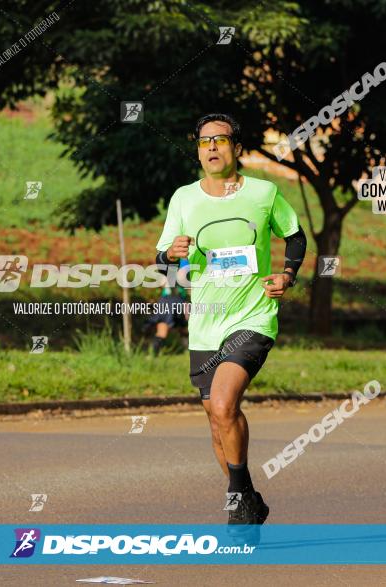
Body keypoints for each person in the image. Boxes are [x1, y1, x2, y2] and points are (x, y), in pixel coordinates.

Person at [155, 113, 307, 529]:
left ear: (237, 148)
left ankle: (238, 501)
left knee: (223, 404)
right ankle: (251, 500)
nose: (211, 148)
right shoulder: (183, 199)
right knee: (216, 419)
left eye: (220, 140)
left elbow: (294, 236)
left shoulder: (263, 192)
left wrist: (287, 276)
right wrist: (171, 255)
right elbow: (161, 261)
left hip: (254, 315)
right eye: (204, 142)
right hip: (206, 322)